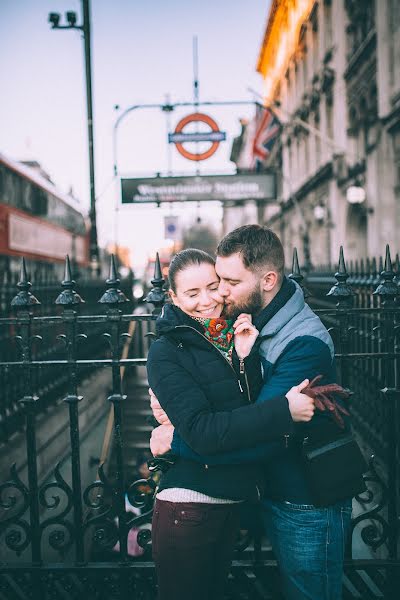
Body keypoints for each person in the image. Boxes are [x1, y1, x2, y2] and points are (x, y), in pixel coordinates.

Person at [150, 226, 353, 600]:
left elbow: (266, 436)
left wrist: (177, 440)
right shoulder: (246, 324)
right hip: (267, 493)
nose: (220, 293)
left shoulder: (303, 343)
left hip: (306, 502)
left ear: (269, 280)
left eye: (228, 281)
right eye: (209, 284)